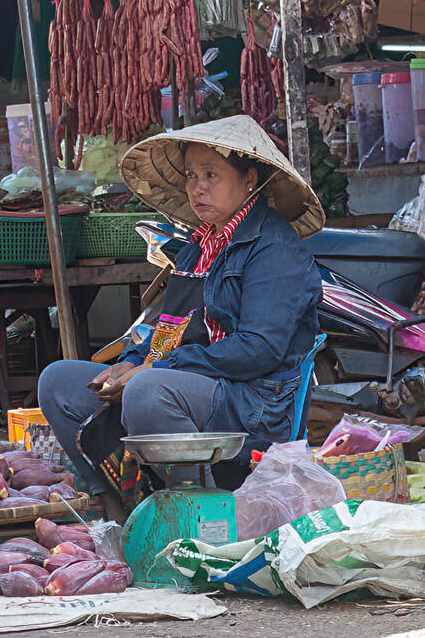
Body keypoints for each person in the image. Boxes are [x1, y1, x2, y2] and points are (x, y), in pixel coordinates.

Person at [37, 115, 324, 520]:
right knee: (59, 381)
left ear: (249, 180)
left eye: (212, 174)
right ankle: (118, 512)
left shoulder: (274, 249)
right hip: (194, 381)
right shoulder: (198, 244)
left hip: (254, 400)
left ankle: (191, 516)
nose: (197, 187)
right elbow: (170, 327)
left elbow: (260, 349)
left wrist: (157, 368)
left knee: (148, 391)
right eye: (191, 175)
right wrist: (133, 362)